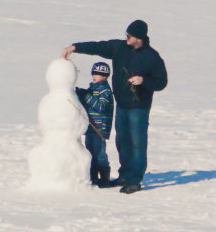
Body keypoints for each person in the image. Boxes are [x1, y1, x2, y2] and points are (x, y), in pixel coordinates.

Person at [62, 20, 168, 194]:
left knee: (137, 144)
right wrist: (74, 47)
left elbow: (161, 82)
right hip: (122, 105)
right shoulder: (119, 48)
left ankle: (135, 180)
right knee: (122, 142)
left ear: (139, 37)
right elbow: (98, 47)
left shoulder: (152, 57)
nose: (126, 37)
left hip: (139, 108)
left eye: (129, 35)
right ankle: (125, 175)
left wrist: (144, 81)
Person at [75, 62, 114, 188]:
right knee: (90, 153)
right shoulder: (92, 88)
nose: (95, 76)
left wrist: (86, 96)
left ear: (106, 76)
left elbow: (101, 107)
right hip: (91, 127)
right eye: (94, 73)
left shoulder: (105, 91)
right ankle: (93, 176)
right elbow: (88, 103)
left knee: (99, 154)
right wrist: (80, 94)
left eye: (99, 74)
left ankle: (104, 178)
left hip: (99, 128)